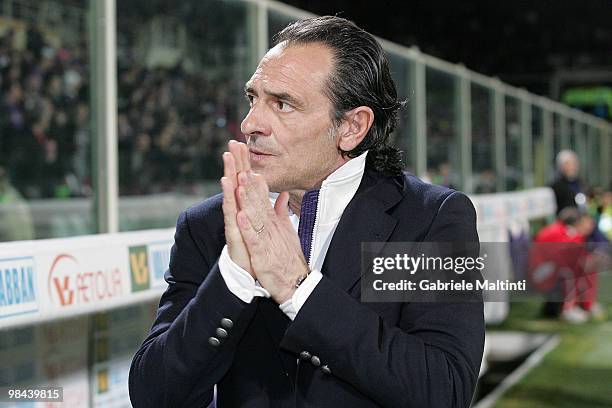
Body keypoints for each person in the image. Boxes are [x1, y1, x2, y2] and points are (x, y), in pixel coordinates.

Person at [129, 16, 484, 408]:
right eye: (253, 99)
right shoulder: (209, 225)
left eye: (282, 104)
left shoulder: (428, 219)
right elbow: (154, 396)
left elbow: (445, 391)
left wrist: (298, 288)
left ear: (352, 127)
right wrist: (233, 279)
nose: (250, 124)